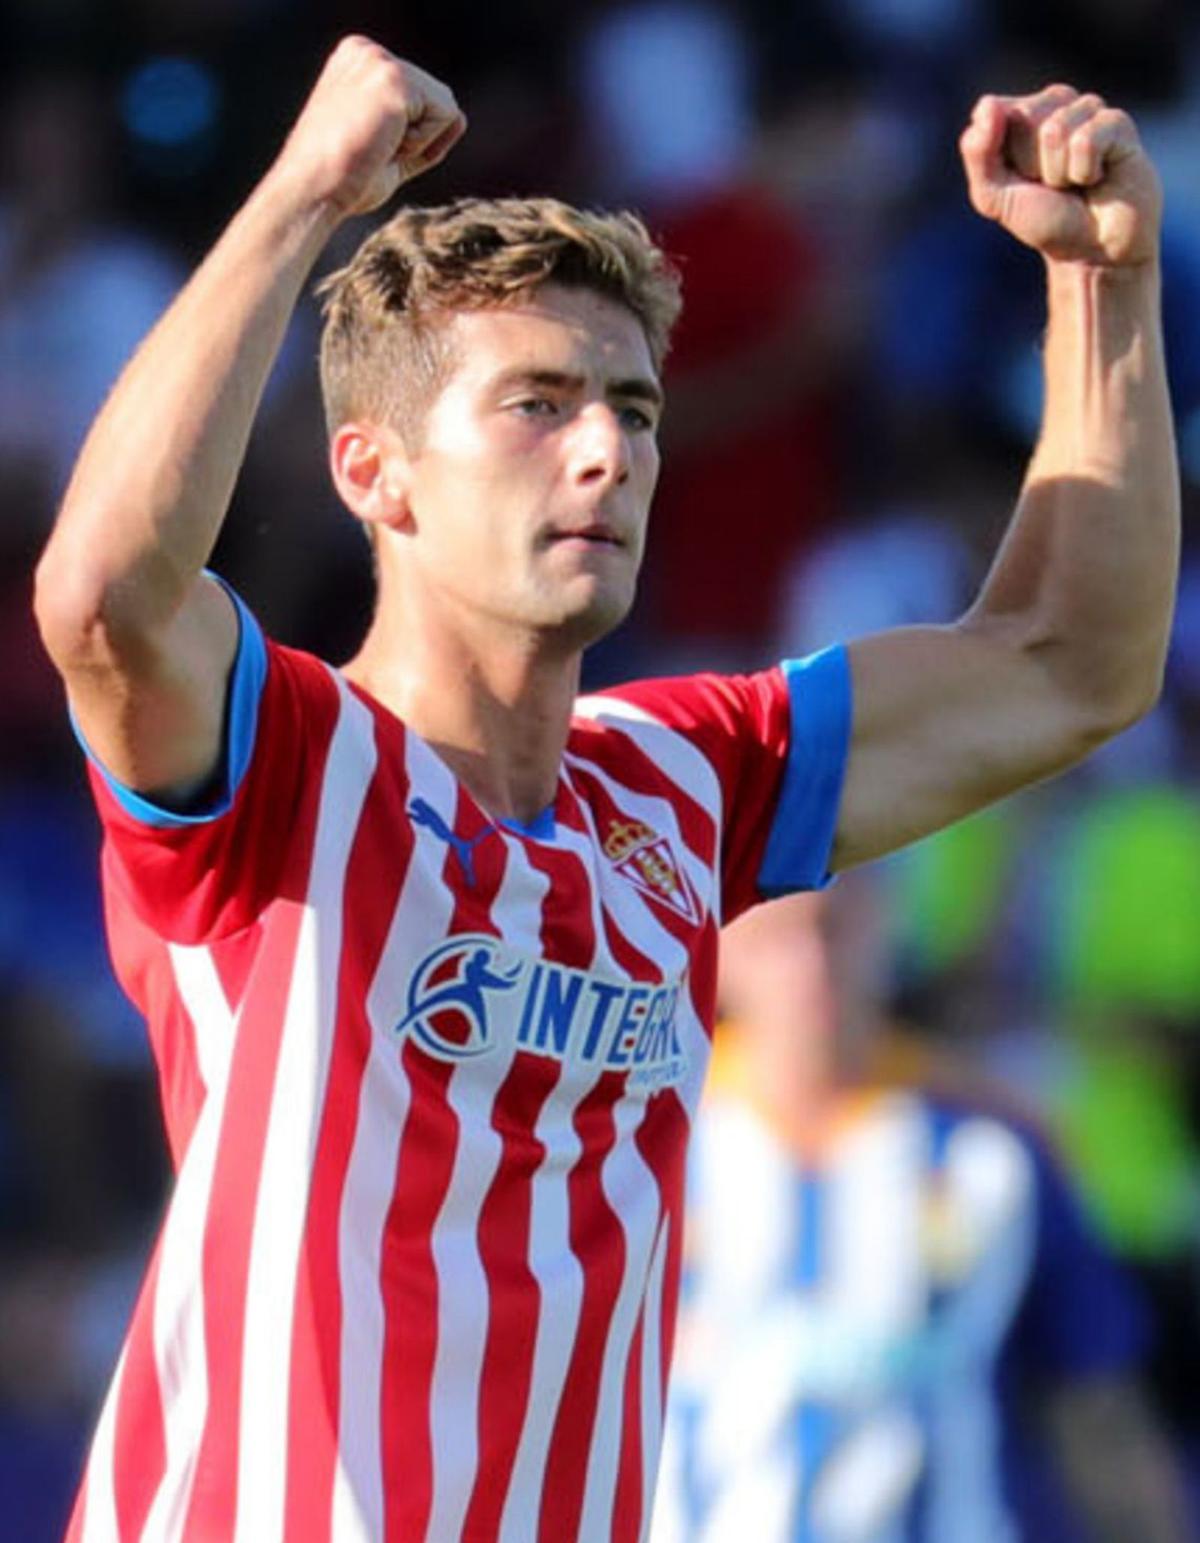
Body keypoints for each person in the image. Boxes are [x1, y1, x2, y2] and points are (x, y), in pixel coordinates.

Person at [32, 35, 1178, 1543]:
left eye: (632, 411)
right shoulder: (286, 759)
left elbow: (1068, 658)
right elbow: (106, 594)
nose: (607, 453)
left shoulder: (684, 779)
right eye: (537, 403)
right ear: (374, 474)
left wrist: (1105, 286)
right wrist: (307, 191)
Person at [651, 880, 1191, 1542]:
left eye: (831, 928)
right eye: (776, 939)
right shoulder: (648, 1146)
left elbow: (1096, 1407)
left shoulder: (992, 1145)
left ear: (883, 922)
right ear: (719, 949)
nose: (810, 966)